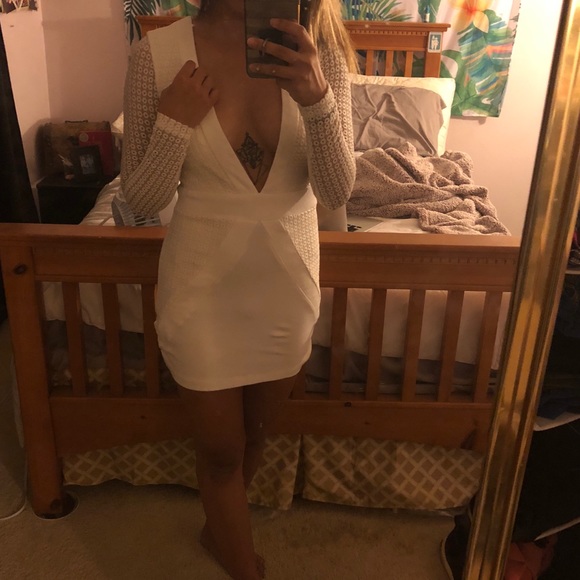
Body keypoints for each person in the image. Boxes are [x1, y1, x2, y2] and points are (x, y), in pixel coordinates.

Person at [120, 1, 356, 578]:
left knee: (255, 434)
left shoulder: (319, 53)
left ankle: (217, 529)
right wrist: (174, 121)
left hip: (286, 285)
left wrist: (317, 98)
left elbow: (335, 191)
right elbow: (143, 199)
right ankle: (240, 561)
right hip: (200, 289)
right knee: (220, 451)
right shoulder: (155, 56)